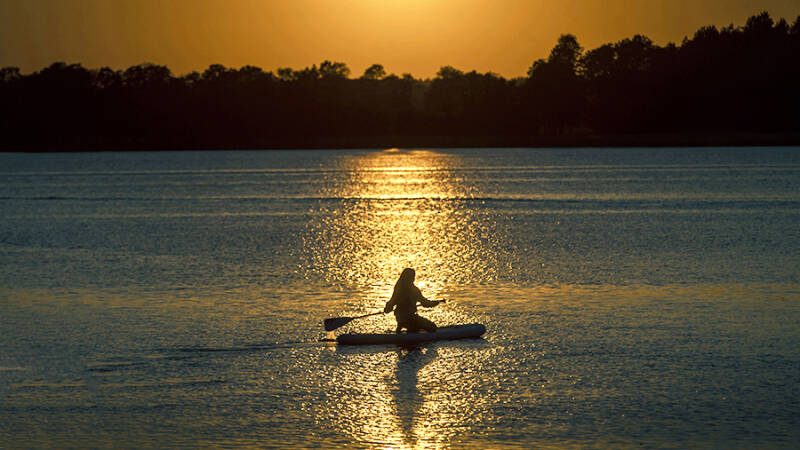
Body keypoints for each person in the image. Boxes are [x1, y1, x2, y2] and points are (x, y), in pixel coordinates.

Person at [384, 268, 445, 333]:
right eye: (412, 276)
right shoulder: (414, 290)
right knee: (433, 327)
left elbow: (392, 302)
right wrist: (435, 303)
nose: (413, 278)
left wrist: (387, 308)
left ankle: (404, 329)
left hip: (399, 318)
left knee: (410, 324)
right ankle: (411, 330)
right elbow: (425, 303)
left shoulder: (398, 288)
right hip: (410, 318)